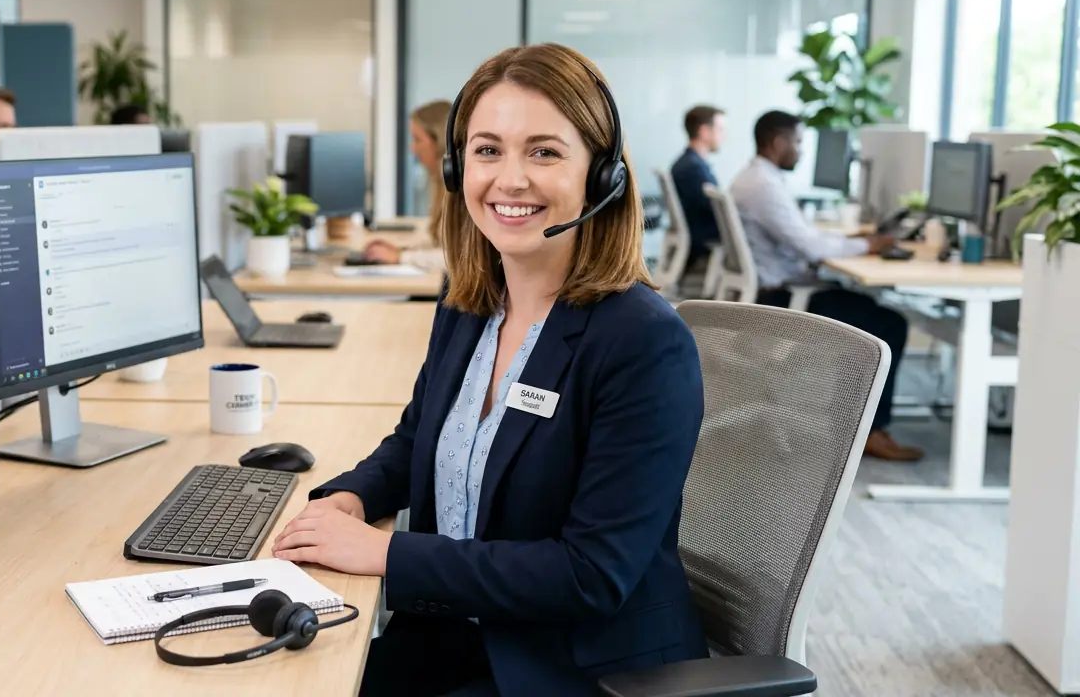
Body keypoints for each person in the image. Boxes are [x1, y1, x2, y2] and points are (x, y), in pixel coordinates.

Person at [273, 43, 707, 696]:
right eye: (487, 150)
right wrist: (353, 498)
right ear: (457, 168)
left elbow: (590, 573)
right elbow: (416, 440)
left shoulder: (643, 344)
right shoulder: (470, 306)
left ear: (602, 175)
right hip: (455, 639)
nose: (510, 178)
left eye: (544, 152)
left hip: (575, 668)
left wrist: (385, 553)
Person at [730, 110, 921, 462]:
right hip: (787, 297)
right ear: (778, 142)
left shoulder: (757, 178)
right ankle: (869, 430)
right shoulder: (763, 186)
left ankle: (850, 423)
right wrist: (869, 245)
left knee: (866, 309)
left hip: (779, 287)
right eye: (798, 142)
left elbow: (804, 236)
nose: (801, 152)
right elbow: (811, 247)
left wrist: (854, 240)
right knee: (888, 323)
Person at [363, 100, 452, 272]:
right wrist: (401, 251)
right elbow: (441, 243)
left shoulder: (460, 189)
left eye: (417, 139)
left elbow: (459, 258)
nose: (412, 148)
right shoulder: (439, 183)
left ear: (439, 141)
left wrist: (401, 257)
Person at [669, 105, 723, 266]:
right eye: (720, 129)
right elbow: (716, 211)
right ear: (704, 131)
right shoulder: (693, 169)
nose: (724, 136)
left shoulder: (690, 163)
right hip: (703, 241)